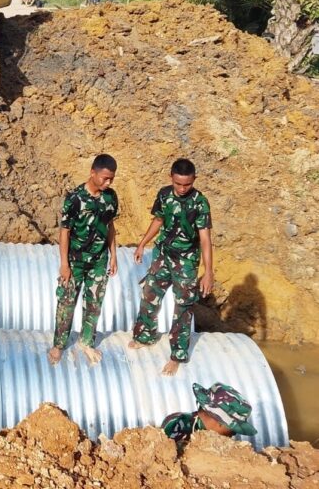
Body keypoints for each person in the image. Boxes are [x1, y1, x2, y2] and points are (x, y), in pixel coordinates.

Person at [129, 158, 213, 376]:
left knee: (183, 307)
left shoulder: (200, 203)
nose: (183, 188)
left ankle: (177, 355)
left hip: (186, 262)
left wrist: (208, 271)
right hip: (162, 255)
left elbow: (205, 239)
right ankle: (145, 335)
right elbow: (158, 220)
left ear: (194, 179)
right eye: (178, 184)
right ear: (171, 178)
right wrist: (142, 243)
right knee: (149, 293)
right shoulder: (164, 195)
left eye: (187, 184)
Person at [48, 154, 119, 367]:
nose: (108, 183)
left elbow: (110, 226)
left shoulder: (110, 197)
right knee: (67, 302)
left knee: (94, 302)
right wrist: (64, 264)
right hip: (75, 260)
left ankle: (87, 341)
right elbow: (65, 232)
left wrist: (114, 255)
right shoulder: (75, 199)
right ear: (92, 172)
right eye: (105, 178)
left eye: (111, 179)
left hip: (99, 260)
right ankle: (59, 344)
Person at [162, 382, 256, 445]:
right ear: (220, 422)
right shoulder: (176, 424)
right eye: (233, 429)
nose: (234, 434)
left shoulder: (220, 443)